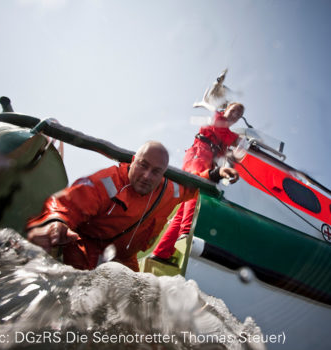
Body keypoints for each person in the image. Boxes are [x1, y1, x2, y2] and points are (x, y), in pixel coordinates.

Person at [26, 141, 238, 272]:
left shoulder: (169, 190)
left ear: (163, 174)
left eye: (156, 171)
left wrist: (217, 173)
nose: (147, 176)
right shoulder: (108, 181)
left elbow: (192, 183)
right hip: (85, 247)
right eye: (143, 165)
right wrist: (56, 222)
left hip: (126, 260)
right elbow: (67, 204)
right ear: (133, 160)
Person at [152, 103, 244, 261]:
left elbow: (230, 148)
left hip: (203, 159)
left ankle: (161, 253)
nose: (235, 114)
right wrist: (242, 142)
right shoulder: (219, 119)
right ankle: (186, 236)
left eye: (239, 114)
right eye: (233, 110)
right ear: (226, 109)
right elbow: (231, 138)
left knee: (183, 208)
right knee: (196, 190)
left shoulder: (225, 135)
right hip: (199, 155)